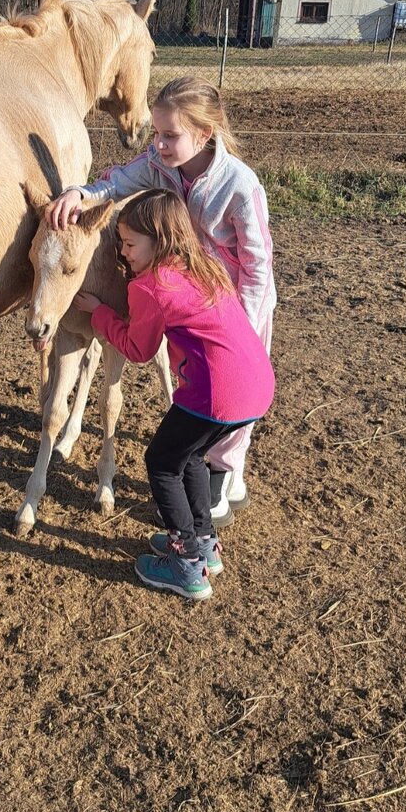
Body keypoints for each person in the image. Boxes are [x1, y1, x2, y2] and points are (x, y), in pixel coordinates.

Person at [47, 75, 275, 527]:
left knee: (229, 391)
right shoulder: (160, 163)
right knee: (200, 385)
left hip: (235, 307)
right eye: (156, 132)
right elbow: (117, 182)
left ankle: (224, 475)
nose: (159, 144)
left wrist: (244, 329)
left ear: (204, 134)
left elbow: (258, 267)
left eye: (170, 135)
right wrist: (81, 193)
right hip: (190, 298)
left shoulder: (239, 185)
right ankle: (215, 478)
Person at [73, 190, 275, 601]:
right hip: (255, 388)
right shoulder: (204, 267)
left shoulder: (150, 287)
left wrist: (100, 314)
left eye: (130, 244)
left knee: (162, 463)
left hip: (215, 394)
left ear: (160, 240)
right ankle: (204, 543)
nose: (123, 252)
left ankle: (186, 564)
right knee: (191, 456)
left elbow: (138, 349)